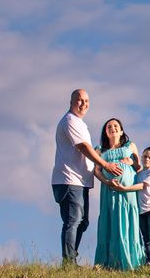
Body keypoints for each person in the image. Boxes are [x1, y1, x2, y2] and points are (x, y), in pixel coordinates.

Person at [52, 89, 124, 266]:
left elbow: (89, 151)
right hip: (69, 180)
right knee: (73, 220)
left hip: (81, 181)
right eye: (79, 100)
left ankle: (70, 258)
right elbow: (83, 147)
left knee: (83, 222)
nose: (83, 104)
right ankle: (68, 262)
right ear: (71, 102)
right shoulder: (70, 121)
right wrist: (106, 165)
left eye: (86, 101)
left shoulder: (80, 123)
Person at [91, 118, 146, 270]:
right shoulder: (99, 150)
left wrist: (131, 162)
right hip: (109, 191)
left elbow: (138, 167)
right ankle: (108, 263)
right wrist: (107, 182)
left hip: (128, 193)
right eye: (109, 126)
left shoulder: (130, 145)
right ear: (105, 132)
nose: (112, 128)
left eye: (116, 126)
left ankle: (132, 262)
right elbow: (96, 170)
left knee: (128, 220)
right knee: (110, 220)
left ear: (122, 131)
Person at [110, 146, 150, 267]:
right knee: (145, 236)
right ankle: (147, 260)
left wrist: (124, 189)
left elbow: (143, 186)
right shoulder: (139, 173)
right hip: (141, 210)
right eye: (145, 156)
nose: (147, 159)